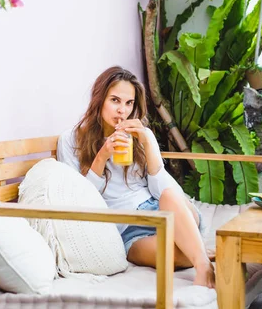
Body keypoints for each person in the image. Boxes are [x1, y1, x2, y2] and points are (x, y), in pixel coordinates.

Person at [57, 66, 215, 289]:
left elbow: (165, 191)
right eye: (115, 100)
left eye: (129, 103)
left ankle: (204, 267)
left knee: (169, 195)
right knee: (178, 256)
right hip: (129, 229)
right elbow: (82, 201)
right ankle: (197, 251)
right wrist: (101, 157)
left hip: (164, 210)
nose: (122, 110)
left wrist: (148, 142)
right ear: (99, 99)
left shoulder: (139, 134)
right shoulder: (71, 140)